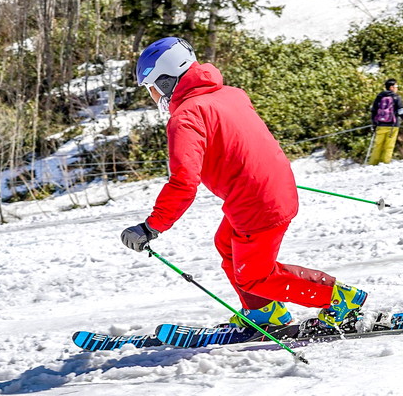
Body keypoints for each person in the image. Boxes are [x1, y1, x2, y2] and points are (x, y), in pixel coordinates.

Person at [119, 36, 369, 331]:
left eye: (152, 89)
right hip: (269, 188)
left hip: (256, 200)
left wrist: (152, 227)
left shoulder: (186, 117)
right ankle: (265, 313)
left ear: (166, 81)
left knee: (255, 276)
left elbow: (184, 182)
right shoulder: (231, 94)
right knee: (227, 244)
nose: (154, 98)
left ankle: (341, 299)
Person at [369, 78, 403, 166]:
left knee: (377, 146)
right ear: (391, 87)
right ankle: (385, 164)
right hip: (393, 126)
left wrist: (374, 124)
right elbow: (402, 114)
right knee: (389, 146)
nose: (397, 88)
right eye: (396, 86)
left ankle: (372, 164)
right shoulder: (396, 98)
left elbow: (373, 111)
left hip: (380, 125)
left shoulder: (379, 97)